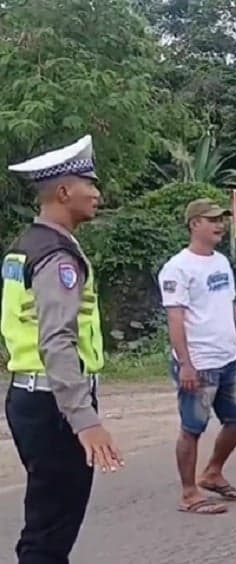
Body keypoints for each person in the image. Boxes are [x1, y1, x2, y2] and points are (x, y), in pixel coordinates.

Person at [1, 134, 125, 563]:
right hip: (54, 403)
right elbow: (56, 339)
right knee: (50, 534)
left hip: (30, 396)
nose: (97, 193)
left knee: (46, 523)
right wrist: (83, 418)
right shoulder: (57, 255)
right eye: (89, 183)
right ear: (63, 191)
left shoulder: (25, 246)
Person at [157, 198, 236, 515]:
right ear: (194, 225)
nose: (220, 225)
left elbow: (229, 305)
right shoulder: (177, 268)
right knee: (192, 428)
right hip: (198, 364)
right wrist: (186, 364)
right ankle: (189, 493)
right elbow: (175, 318)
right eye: (212, 219)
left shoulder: (221, 263)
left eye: (222, 219)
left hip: (228, 358)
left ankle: (213, 472)